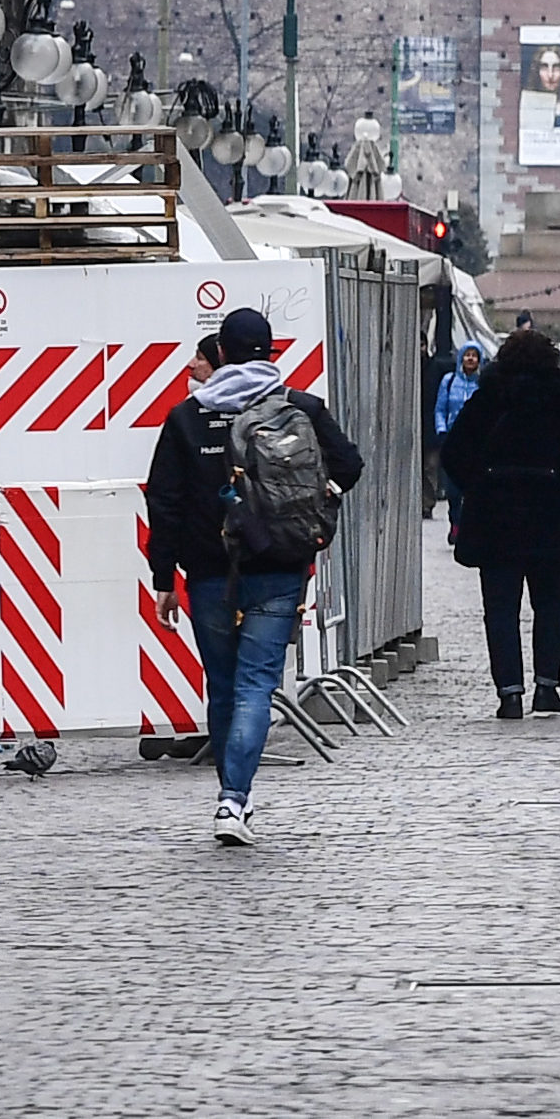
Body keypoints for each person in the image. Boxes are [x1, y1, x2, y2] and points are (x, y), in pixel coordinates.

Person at [140, 306, 359, 848]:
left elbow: (163, 502)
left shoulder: (189, 417)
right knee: (257, 684)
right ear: (270, 352)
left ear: (222, 354)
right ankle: (234, 799)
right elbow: (350, 465)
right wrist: (318, 506)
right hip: (281, 567)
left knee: (222, 684)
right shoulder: (301, 408)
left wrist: (163, 575)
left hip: (211, 572)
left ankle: (231, 796)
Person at [439, 326, 560, 719]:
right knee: (550, 604)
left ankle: (509, 692)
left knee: (500, 607)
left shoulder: (487, 399)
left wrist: (480, 482)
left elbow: (452, 451)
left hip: (495, 515)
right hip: (550, 513)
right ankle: (547, 686)